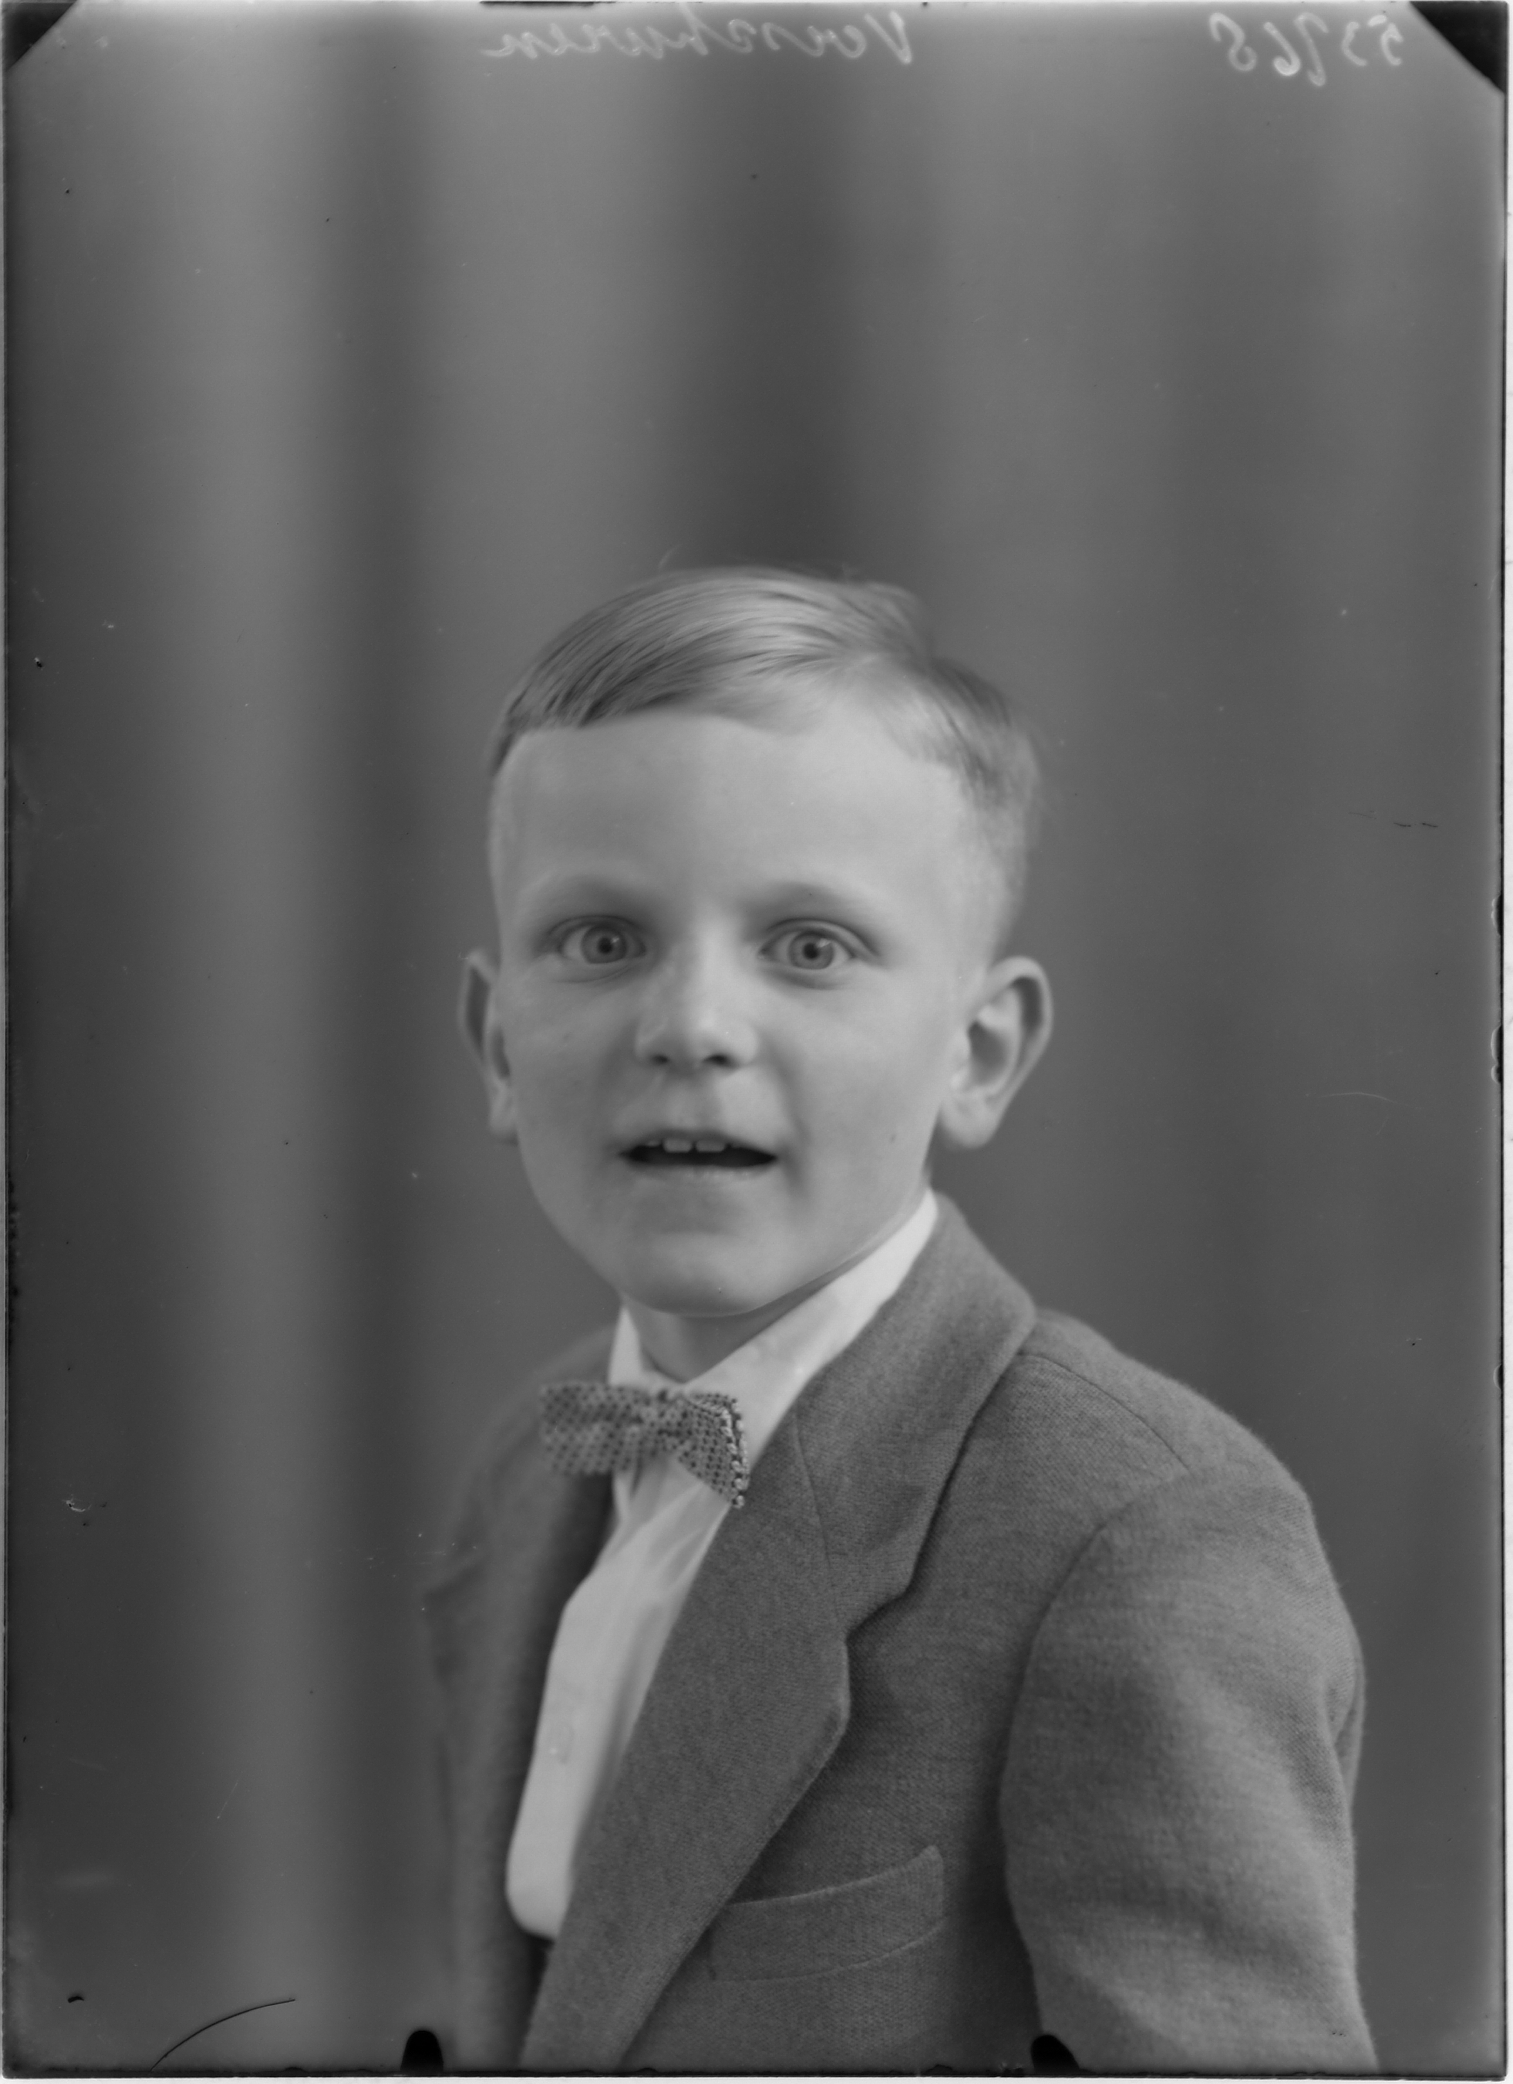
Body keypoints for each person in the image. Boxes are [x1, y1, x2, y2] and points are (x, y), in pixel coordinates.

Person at [426, 567, 1376, 2075]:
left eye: (810, 947)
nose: (690, 1027)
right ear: (495, 1047)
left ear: (977, 1054)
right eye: (601, 941)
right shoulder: (530, 1466)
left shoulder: (1136, 1536)